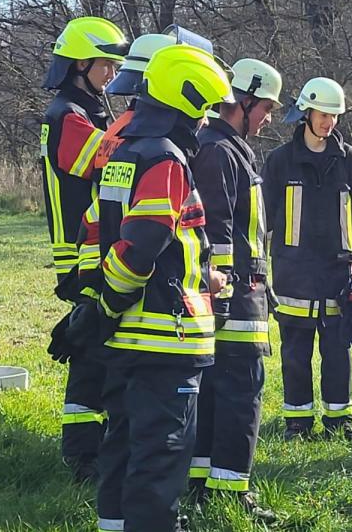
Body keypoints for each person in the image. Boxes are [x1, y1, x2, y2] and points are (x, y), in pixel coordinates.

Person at [66, 43, 234, 532]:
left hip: (125, 340)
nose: (205, 122)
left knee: (120, 450)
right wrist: (110, 301)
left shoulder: (125, 153)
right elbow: (142, 245)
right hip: (166, 340)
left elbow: (94, 230)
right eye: (203, 110)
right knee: (161, 461)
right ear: (185, 103)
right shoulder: (166, 160)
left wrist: (96, 300)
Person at [187, 58, 282, 522]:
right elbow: (217, 232)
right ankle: (228, 490)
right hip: (234, 296)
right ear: (242, 101)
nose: (267, 117)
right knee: (242, 389)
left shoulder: (229, 147)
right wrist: (222, 296)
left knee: (221, 390)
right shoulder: (219, 152)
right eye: (264, 107)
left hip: (244, 292)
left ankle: (206, 481)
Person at [40, 16, 128, 482]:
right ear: (80, 63)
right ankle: (82, 457)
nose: (112, 72)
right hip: (80, 255)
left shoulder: (89, 107)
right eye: (107, 63)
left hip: (93, 251)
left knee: (99, 346)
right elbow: (108, 157)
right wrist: (148, 116)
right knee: (92, 356)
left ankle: (95, 448)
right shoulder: (66, 116)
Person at [262, 77, 352, 441]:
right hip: (293, 275)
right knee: (295, 352)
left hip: (336, 272)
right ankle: (298, 422)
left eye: (334, 116)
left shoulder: (351, 161)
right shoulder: (279, 162)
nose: (329, 123)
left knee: (338, 352)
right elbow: (266, 215)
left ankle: (339, 421)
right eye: (323, 114)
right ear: (306, 112)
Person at [77, 32, 178, 301]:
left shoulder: (119, 129)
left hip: (114, 266)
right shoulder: (159, 143)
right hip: (150, 282)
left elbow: (98, 212)